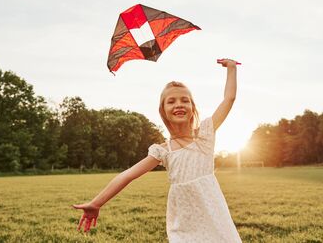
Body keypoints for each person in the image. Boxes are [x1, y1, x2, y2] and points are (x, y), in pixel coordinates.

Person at [73, 58, 242, 242]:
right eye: (171, 101)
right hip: (185, 220)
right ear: (163, 111)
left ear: (192, 108)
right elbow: (128, 175)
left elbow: (229, 98)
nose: (179, 104)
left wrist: (231, 68)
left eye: (185, 100)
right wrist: (96, 203)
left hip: (213, 213)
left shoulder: (204, 136)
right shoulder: (163, 150)